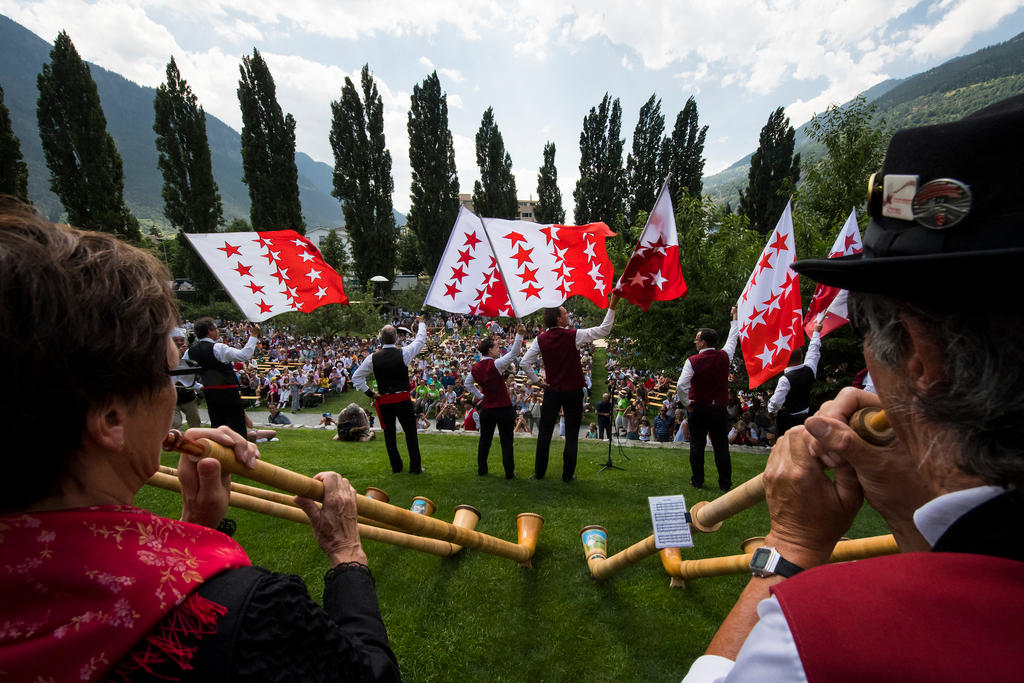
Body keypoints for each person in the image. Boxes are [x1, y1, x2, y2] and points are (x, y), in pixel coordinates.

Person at [684, 96, 1024, 681]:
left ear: (919, 356)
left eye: (868, 327)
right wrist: (918, 519)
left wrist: (789, 546)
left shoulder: (820, 641)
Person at [0, 206, 399, 682]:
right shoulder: (248, 615)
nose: (177, 392)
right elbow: (371, 676)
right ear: (110, 418)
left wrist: (195, 526)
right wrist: (347, 554)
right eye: (172, 373)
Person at [522, 293, 620, 481]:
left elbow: (525, 363)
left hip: (551, 391)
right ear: (558, 318)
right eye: (566, 314)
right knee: (572, 434)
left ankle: (539, 473)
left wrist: (537, 381)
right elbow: (604, 330)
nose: (568, 316)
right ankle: (567, 475)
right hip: (573, 390)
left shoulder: (540, 339)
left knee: (545, 433)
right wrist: (612, 306)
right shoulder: (574, 335)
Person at [353, 317, 427, 473]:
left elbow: (356, 377)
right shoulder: (404, 353)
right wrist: (421, 323)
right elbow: (420, 341)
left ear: (381, 339)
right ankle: (415, 467)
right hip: (403, 400)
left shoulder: (373, 357)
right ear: (396, 337)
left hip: (385, 401)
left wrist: (369, 393)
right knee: (411, 434)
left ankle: (396, 467)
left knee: (390, 435)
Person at [677, 307, 740, 491]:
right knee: (721, 447)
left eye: (697, 339)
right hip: (719, 409)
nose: (695, 342)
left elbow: (681, 386)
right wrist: (734, 319)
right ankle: (725, 484)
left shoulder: (693, 361)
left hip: (699, 409)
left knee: (697, 446)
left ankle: (697, 480)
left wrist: (687, 403)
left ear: (703, 342)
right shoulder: (724, 355)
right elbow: (733, 339)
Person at [465, 324, 525, 478]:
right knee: (506, 442)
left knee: (485, 440)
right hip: (503, 408)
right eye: (497, 347)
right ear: (490, 350)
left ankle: (482, 469)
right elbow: (513, 354)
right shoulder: (496, 364)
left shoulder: (476, 368)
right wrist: (519, 335)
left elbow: (467, 384)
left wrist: (480, 396)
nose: (499, 349)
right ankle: (509, 473)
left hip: (487, 409)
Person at [185, 316, 259, 438]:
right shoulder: (218, 348)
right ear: (209, 331)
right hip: (227, 391)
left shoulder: (190, 351)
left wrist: (198, 386)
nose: (218, 331)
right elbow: (244, 355)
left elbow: (184, 373)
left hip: (209, 392)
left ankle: (220, 453)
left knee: (217, 426)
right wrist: (254, 336)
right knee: (236, 427)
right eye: (216, 328)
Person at [767, 317, 824, 437]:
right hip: (805, 416)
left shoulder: (785, 379)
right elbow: (814, 351)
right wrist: (816, 332)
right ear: (802, 356)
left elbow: (776, 402)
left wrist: (771, 410)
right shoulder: (810, 370)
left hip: (788, 420)